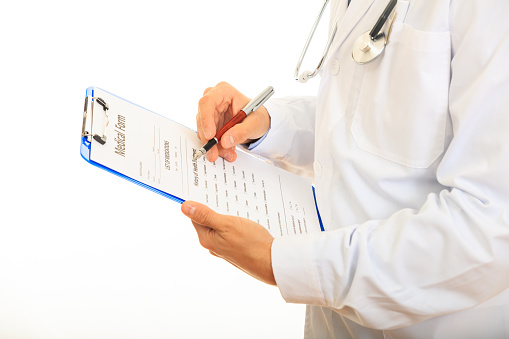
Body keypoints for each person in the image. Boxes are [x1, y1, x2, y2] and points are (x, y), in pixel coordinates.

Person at [181, 0, 509, 337]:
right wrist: (270, 125)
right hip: (334, 320)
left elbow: (491, 224)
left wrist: (281, 263)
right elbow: (379, 122)